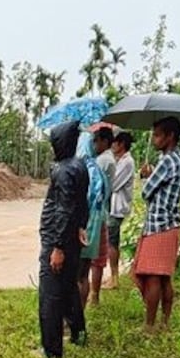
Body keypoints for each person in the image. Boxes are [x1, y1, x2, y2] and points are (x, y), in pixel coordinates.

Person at [36, 121, 89, 358]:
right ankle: (79, 332)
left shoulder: (62, 170)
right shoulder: (80, 166)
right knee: (69, 288)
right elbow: (82, 203)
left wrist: (57, 246)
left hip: (57, 240)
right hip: (72, 239)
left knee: (50, 295)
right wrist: (81, 227)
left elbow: (64, 209)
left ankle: (52, 351)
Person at [134, 117, 180, 331]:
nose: (154, 139)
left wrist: (146, 176)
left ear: (170, 136)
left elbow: (146, 192)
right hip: (172, 224)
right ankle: (165, 322)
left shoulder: (167, 161)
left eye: (158, 135)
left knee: (152, 277)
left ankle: (149, 324)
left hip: (158, 225)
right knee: (165, 277)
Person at [78, 131, 109, 307]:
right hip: (95, 228)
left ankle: (71, 321)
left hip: (83, 227)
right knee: (84, 275)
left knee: (75, 276)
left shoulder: (81, 170)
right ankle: (80, 315)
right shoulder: (99, 171)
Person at [88, 128, 115, 303]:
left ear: (105, 141)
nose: (94, 144)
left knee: (96, 258)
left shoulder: (104, 160)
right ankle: (94, 294)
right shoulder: (105, 159)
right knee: (96, 258)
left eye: (96, 140)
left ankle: (94, 295)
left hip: (96, 215)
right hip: (100, 213)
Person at [107, 131, 135, 289]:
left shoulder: (127, 162)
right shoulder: (121, 161)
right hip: (114, 206)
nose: (112, 146)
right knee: (112, 241)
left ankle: (114, 277)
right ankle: (113, 276)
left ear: (121, 144)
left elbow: (114, 184)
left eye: (115, 143)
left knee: (112, 242)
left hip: (117, 208)